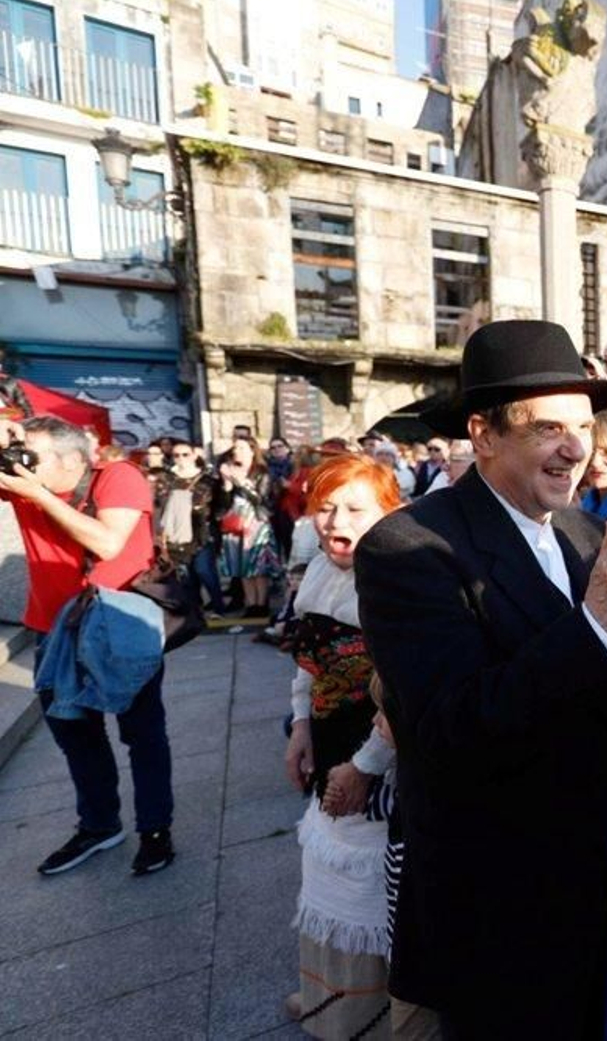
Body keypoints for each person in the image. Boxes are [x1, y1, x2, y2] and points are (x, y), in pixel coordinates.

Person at [354, 320, 607, 1036]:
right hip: (507, 902)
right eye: (548, 428)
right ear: (485, 432)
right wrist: (593, 625)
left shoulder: (585, 533)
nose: (576, 447)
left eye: (585, 426)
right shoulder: (407, 549)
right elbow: (449, 729)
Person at [0, 416, 176, 877]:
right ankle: (99, 825)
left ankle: (155, 830)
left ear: (73, 459)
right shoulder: (19, 479)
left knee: (142, 732)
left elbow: (108, 542)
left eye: (31, 453)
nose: (21, 460)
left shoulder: (118, 476)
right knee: (74, 732)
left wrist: (39, 495)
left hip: (119, 623)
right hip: (52, 629)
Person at [281, 453, 404, 1037]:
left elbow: (404, 697)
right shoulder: (317, 573)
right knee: (323, 871)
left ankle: (368, 1015)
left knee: (369, 885)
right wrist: (299, 726)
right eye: (325, 508)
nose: (336, 521)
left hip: (380, 763)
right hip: (329, 747)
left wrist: (364, 767)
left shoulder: (404, 583)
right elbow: (307, 662)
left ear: (390, 514)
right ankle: (325, 997)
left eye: (356, 508)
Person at [151, 439, 225, 615]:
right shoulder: (167, 478)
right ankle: (194, 608)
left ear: (194, 455)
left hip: (200, 530)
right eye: (176, 455)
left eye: (185, 454)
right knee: (186, 574)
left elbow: (219, 503)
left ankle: (218, 606)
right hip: (176, 532)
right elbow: (159, 504)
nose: (181, 458)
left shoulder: (207, 479)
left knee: (204, 570)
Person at [215, 439, 280, 617]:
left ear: (252, 451)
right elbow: (222, 504)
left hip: (256, 522)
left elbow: (263, 500)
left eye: (242, 448)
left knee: (258, 566)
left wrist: (241, 482)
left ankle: (261, 604)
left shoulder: (262, 472)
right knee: (241, 566)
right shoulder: (229, 470)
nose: (237, 451)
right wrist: (226, 486)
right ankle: (250, 604)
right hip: (235, 523)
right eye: (235, 448)